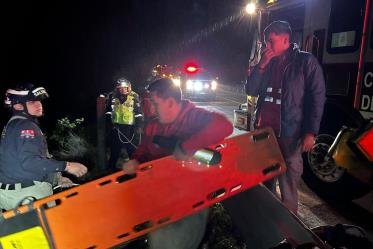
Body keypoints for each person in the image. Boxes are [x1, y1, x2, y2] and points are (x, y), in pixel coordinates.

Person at [123, 78, 233, 249]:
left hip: (190, 201)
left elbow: (224, 126)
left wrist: (187, 147)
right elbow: (145, 147)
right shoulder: (154, 124)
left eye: (154, 103)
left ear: (170, 103)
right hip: (160, 195)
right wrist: (135, 160)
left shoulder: (193, 117)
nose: (150, 109)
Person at [245, 20, 326, 214]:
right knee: (265, 182)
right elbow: (250, 90)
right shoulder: (266, 62)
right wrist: (261, 65)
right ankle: (267, 223)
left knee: (288, 185)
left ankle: (289, 232)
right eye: (265, 42)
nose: (267, 46)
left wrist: (310, 132)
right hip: (264, 133)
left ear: (286, 39)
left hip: (290, 134)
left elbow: (317, 97)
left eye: (271, 41)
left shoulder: (306, 62)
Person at [0, 83, 88, 211]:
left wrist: (57, 179)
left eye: (39, 101)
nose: (39, 105)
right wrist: (67, 166)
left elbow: (18, 164)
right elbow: (30, 162)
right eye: (32, 102)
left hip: (9, 193)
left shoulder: (12, 125)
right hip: (27, 195)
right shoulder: (26, 127)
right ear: (18, 105)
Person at [106, 78, 141, 172]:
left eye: (124, 88)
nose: (122, 90)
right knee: (114, 149)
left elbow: (138, 113)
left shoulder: (134, 96)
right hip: (116, 127)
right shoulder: (112, 96)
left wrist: (138, 126)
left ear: (128, 88)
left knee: (131, 150)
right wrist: (108, 122)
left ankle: (136, 169)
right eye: (119, 88)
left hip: (129, 128)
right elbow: (108, 111)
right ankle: (111, 169)